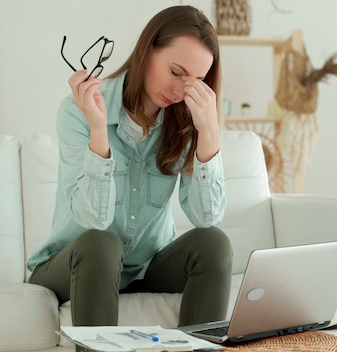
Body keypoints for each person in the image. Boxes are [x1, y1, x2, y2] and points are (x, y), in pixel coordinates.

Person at [26, 5, 232, 347]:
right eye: (176, 72)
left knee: (213, 243)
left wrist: (208, 133)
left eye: (194, 82)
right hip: (76, 262)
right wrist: (97, 129)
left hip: (145, 268)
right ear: (147, 50)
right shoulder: (79, 110)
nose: (182, 90)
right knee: (100, 242)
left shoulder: (185, 122)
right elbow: (93, 218)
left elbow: (206, 217)